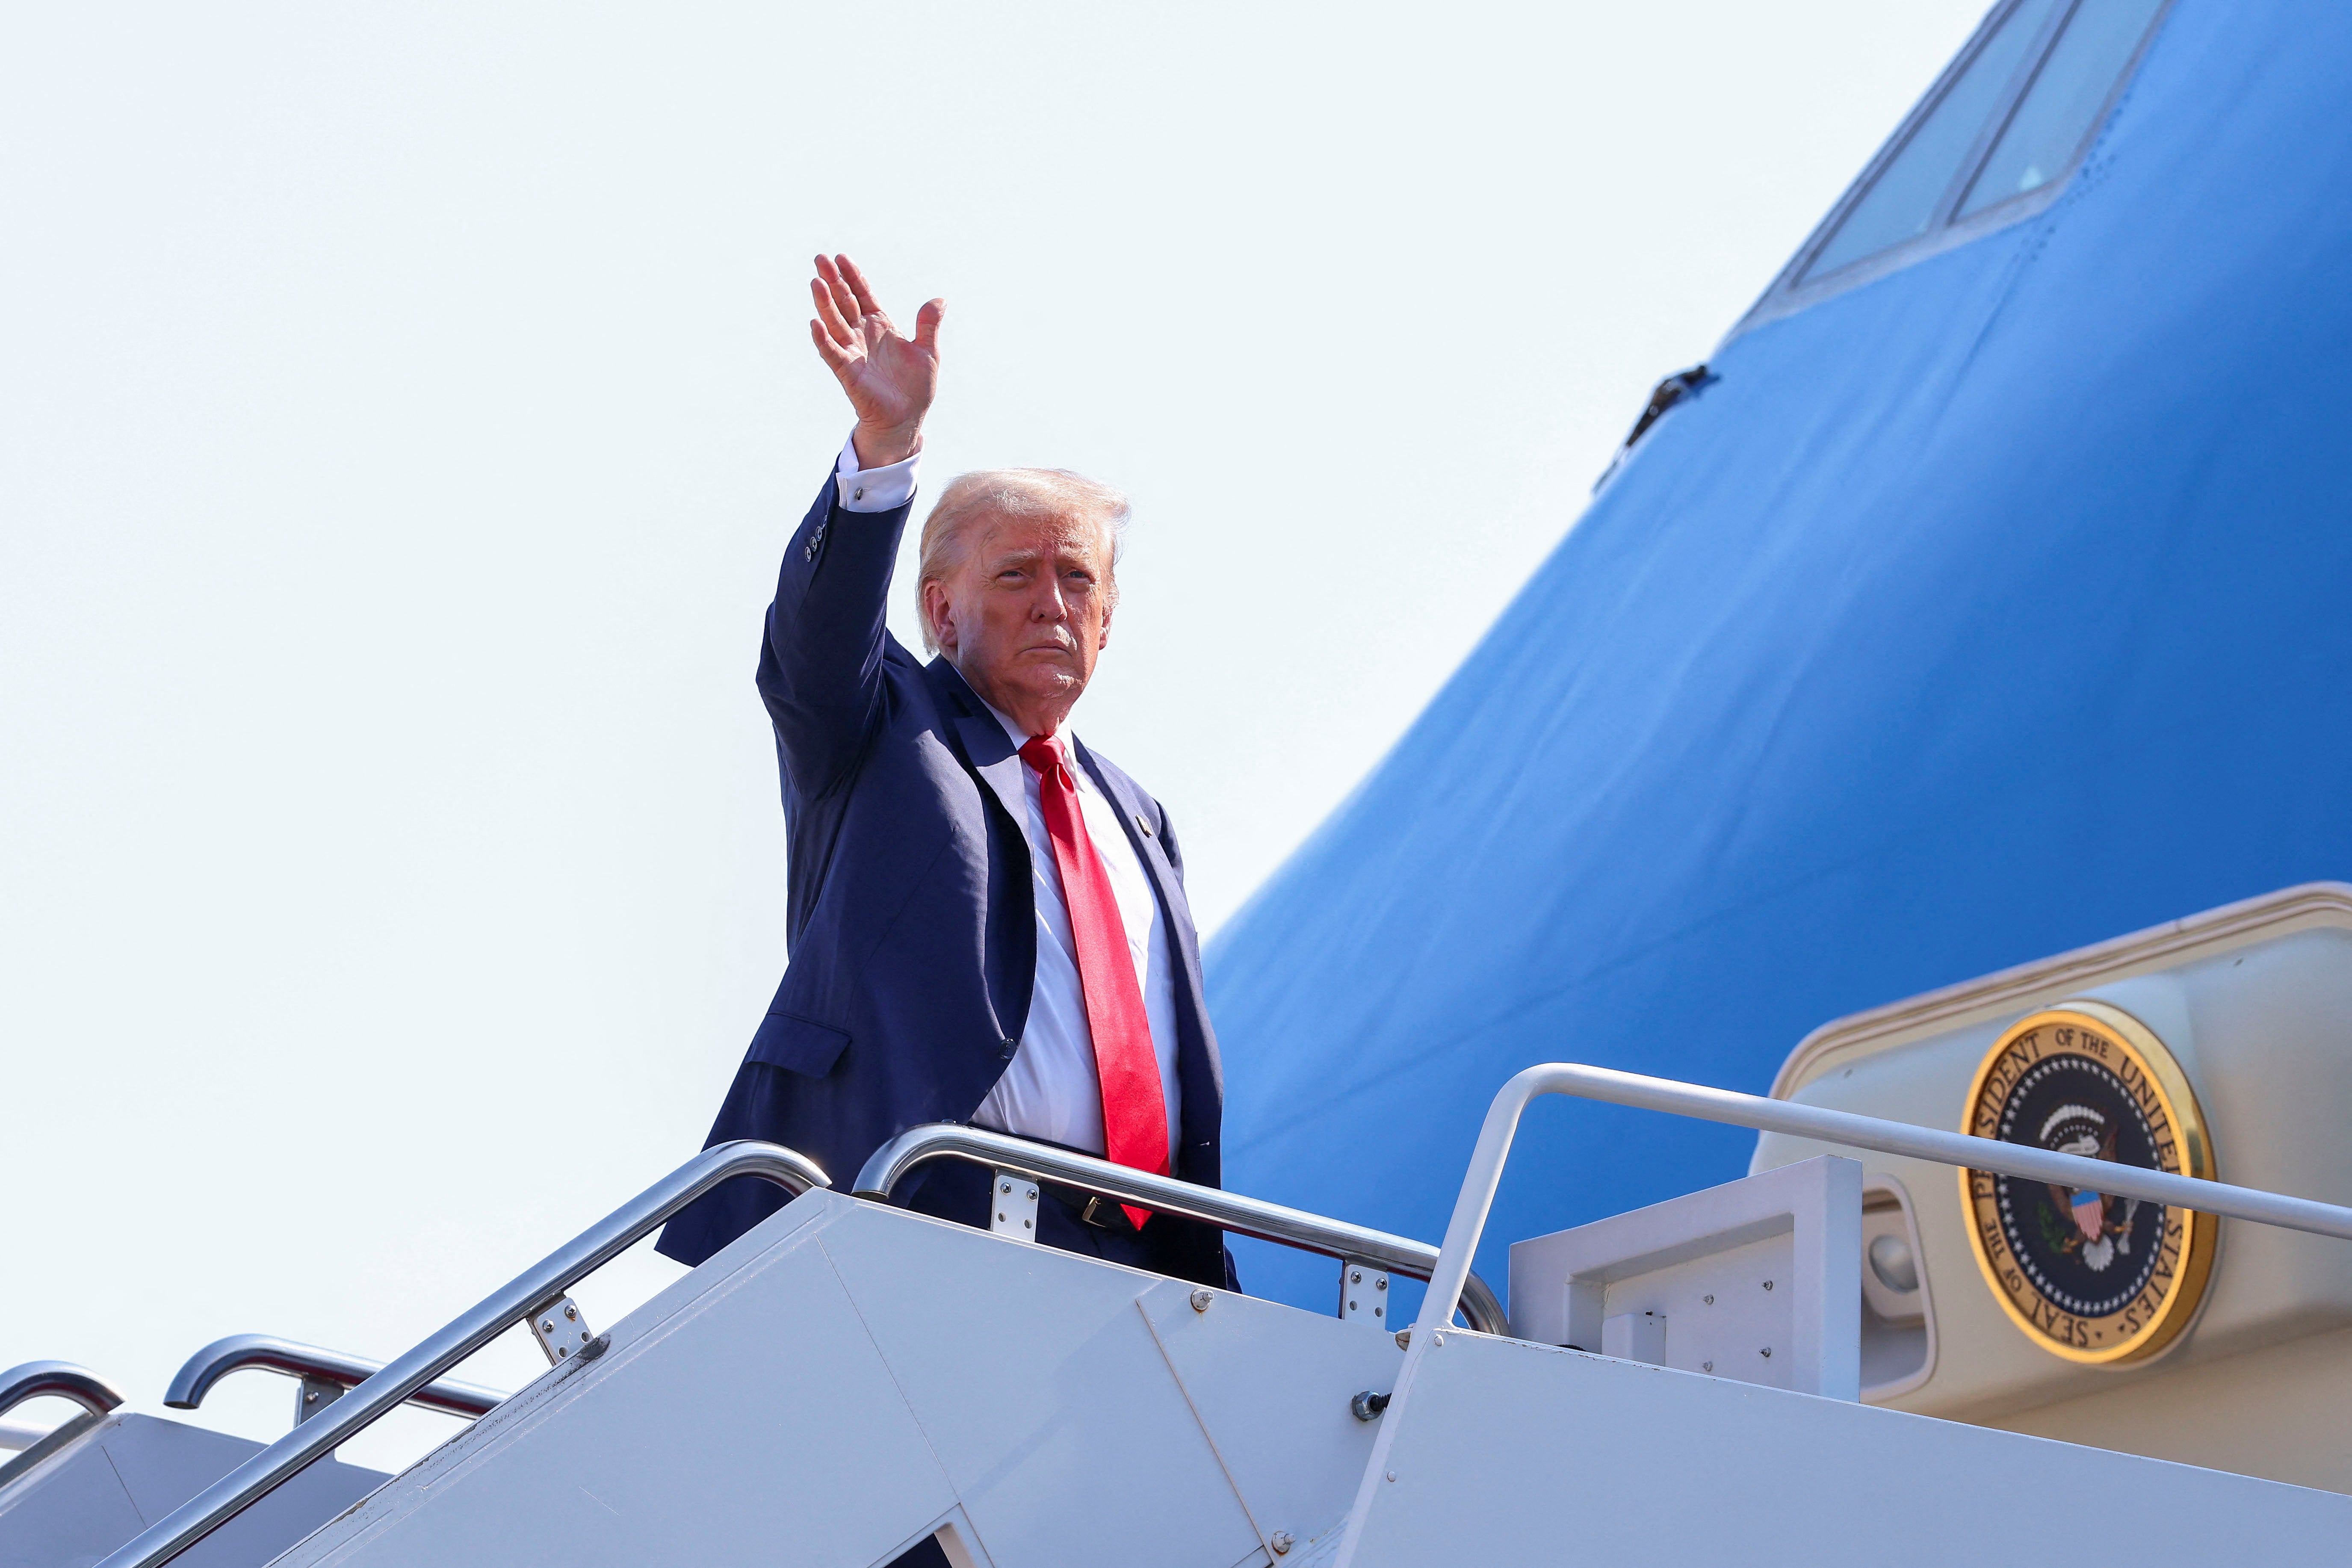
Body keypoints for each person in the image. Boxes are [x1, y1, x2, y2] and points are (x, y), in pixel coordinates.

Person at [656, 254, 1233, 1292]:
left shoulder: (1136, 817)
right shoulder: (885, 728)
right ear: (940, 611)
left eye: (1076, 580)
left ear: (1108, 621)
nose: (1050, 604)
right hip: (914, 1221)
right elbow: (816, 643)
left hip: (1138, 1260)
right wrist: (885, 451)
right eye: (1013, 575)